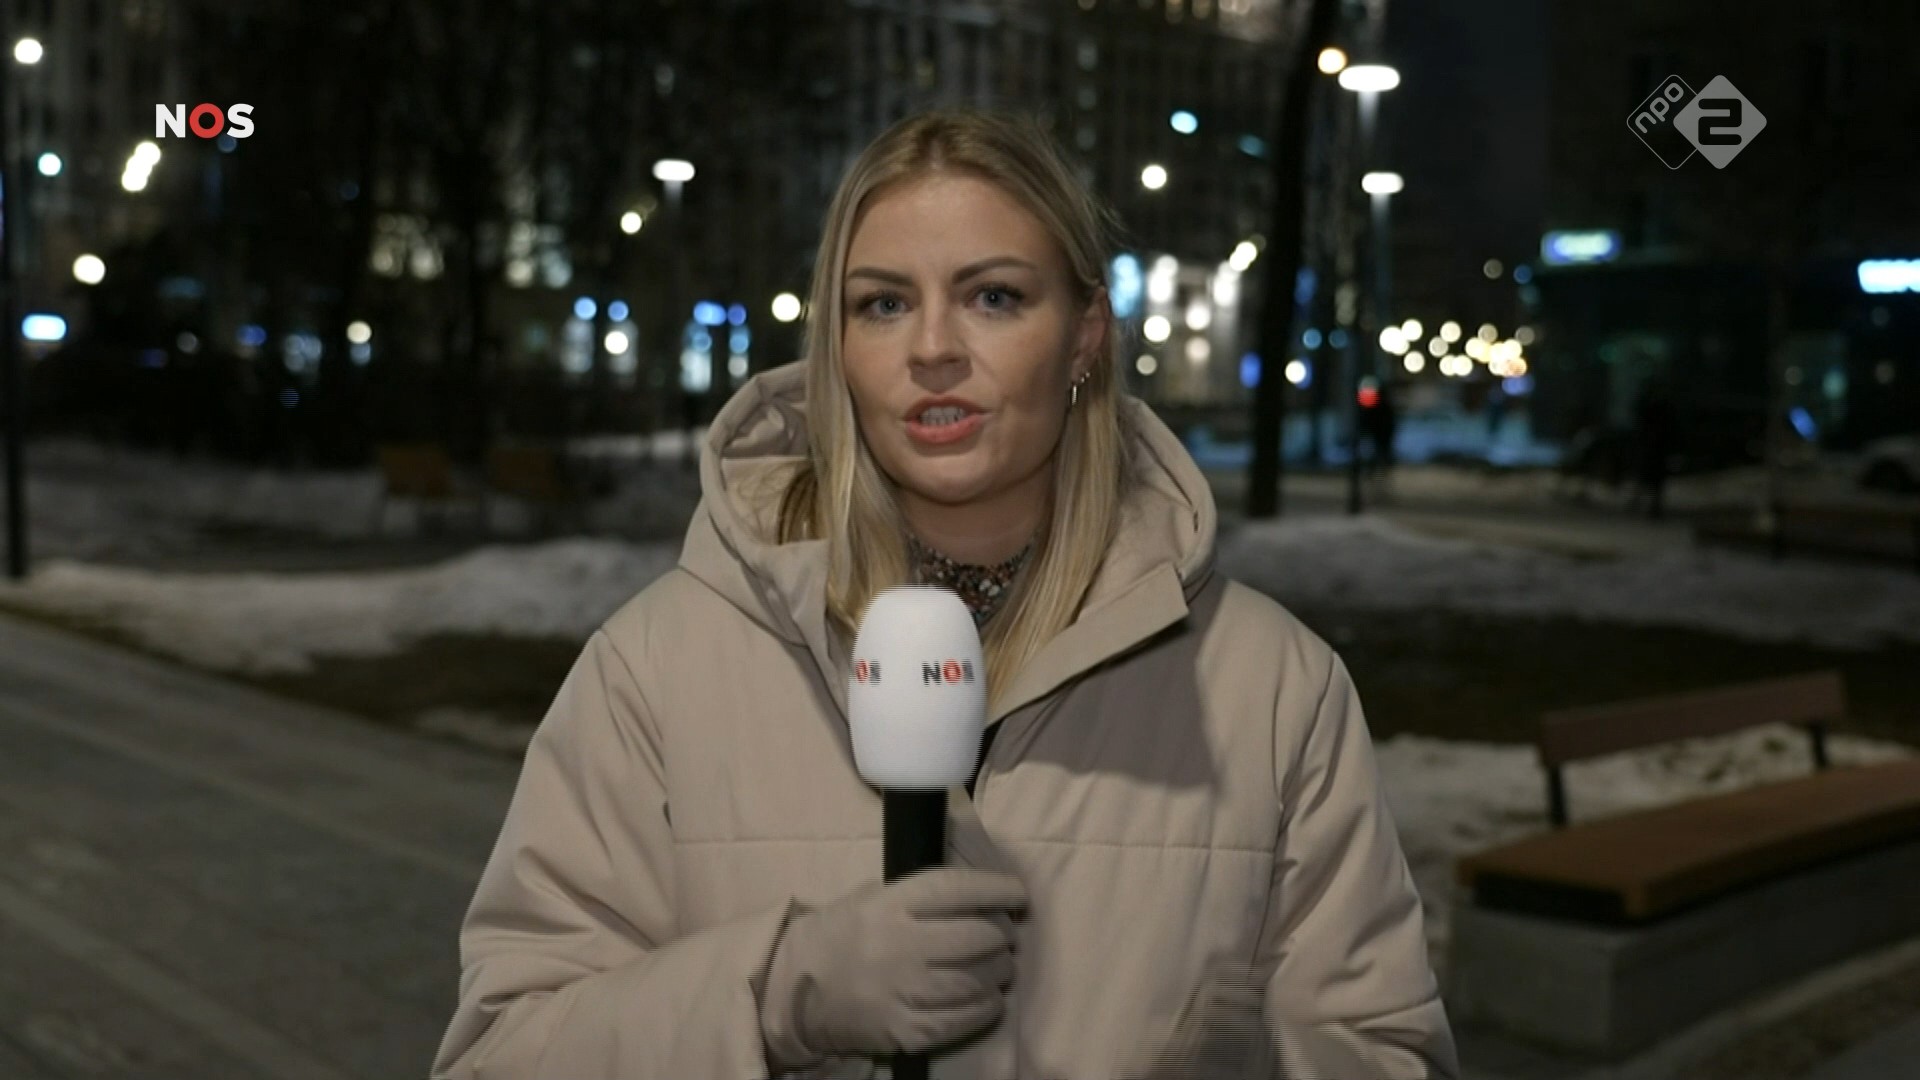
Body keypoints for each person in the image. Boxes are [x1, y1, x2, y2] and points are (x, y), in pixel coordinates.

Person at [432, 109, 1457, 1080]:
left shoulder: (1272, 689)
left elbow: (1388, 1048)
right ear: (838, 347)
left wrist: (1267, 1064)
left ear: (1085, 335)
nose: (932, 349)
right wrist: (776, 995)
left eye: (993, 297)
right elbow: (501, 1054)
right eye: (883, 304)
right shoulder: (658, 668)